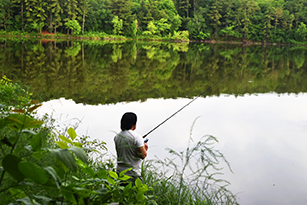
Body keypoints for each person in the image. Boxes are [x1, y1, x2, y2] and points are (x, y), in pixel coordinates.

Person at [114, 112, 148, 182]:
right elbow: (143, 155)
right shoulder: (137, 137)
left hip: (119, 173)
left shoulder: (117, 136)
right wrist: (145, 147)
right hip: (133, 174)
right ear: (133, 124)